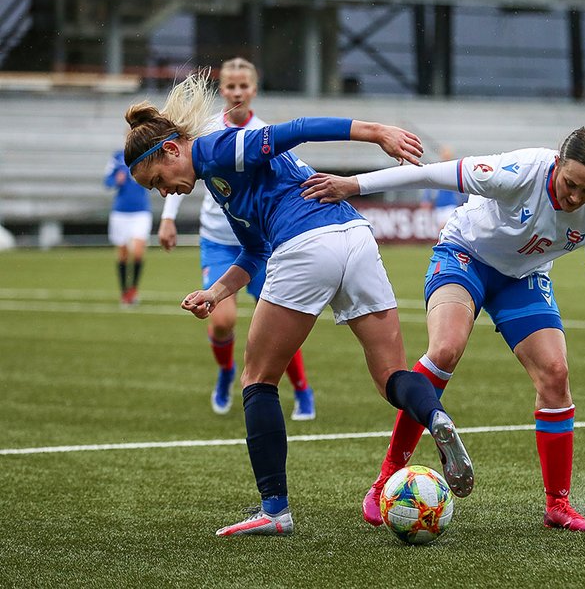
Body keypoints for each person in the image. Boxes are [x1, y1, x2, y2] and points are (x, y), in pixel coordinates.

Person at [123, 71, 474, 537]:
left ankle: (275, 511)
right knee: (390, 376)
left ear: (171, 150)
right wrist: (215, 292)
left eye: (157, 181)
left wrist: (378, 133)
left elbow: (298, 129)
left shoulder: (217, 149)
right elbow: (254, 252)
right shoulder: (218, 179)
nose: (162, 192)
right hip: (355, 238)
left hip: (307, 243)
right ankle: (435, 416)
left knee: (257, 378)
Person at [301, 127, 585, 532]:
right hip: (465, 256)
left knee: (555, 373)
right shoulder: (516, 172)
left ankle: (558, 505)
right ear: (557, 164)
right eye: (570, 184)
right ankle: (386, 477)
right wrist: (353, 185)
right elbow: (427, 173)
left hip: (521, 279)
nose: (575, 197)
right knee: (445, 349)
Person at [157, 58, 316, 420]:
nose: (237, 92)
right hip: (218, 240)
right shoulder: (207, 131)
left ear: (254, 89)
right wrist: (167, 219)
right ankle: (226, 371)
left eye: (244, 85)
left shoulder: (263, 133)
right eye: (231, 86)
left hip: (260, 243)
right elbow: (177, 172)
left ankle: (302, 389)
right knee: (221, 320)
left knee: (277, 322)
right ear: (222, 90)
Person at [104, 147, 152, 306]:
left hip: (140, 212)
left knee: (138, 252)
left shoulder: (146, 153)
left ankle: (133, 289)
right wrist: (115, 181)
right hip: (120, 213)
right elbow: (107, 181)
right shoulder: (117, 157)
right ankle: (124, 291)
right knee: (123, 254)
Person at [419, 146, 467, 232]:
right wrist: (426, 199)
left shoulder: (454, 170)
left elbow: (461, 187)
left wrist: (462, 201)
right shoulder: (438, 169)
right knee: (441, 231)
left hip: (450, 205)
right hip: (439, 206)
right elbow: (431, 185)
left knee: (446, 227)